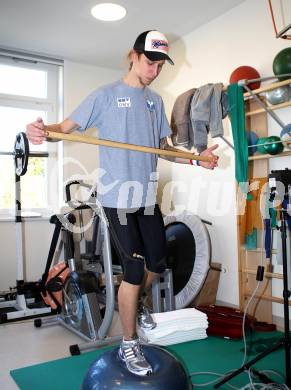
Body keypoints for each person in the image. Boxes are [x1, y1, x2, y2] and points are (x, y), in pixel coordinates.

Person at [26, 30, 219, 376]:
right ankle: (129, 343)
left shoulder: (155, 103)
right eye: (150, 62)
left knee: (157, 264)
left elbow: (165, 150)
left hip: (146, 197)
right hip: (117, 198)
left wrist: (196, 159)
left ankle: (135, 302)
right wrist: (42, 130)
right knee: (134, 267)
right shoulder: (105, 96)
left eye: (160, 65)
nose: (154, 70)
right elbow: (64, 127)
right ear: (132, 55)